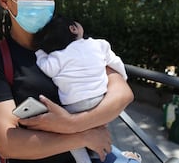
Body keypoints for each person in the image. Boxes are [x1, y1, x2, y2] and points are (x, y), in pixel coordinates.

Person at [0, 0, 136, 163]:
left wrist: (71, 124)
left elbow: (122, 94)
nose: (42, 2)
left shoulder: (71, 40)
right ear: (4, 0)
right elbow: (7, 144)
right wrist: (83, 135)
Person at [34, 16, 139, 163]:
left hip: (73, 105)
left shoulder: (58, 56)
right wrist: (123, 76)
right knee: (96, 127)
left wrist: (40, 53)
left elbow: (47, 68)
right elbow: (116, 62)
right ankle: (104, 154)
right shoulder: (99, 44)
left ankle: (84, 160)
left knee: (69, 136)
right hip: (100, 99)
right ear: (73, 28)